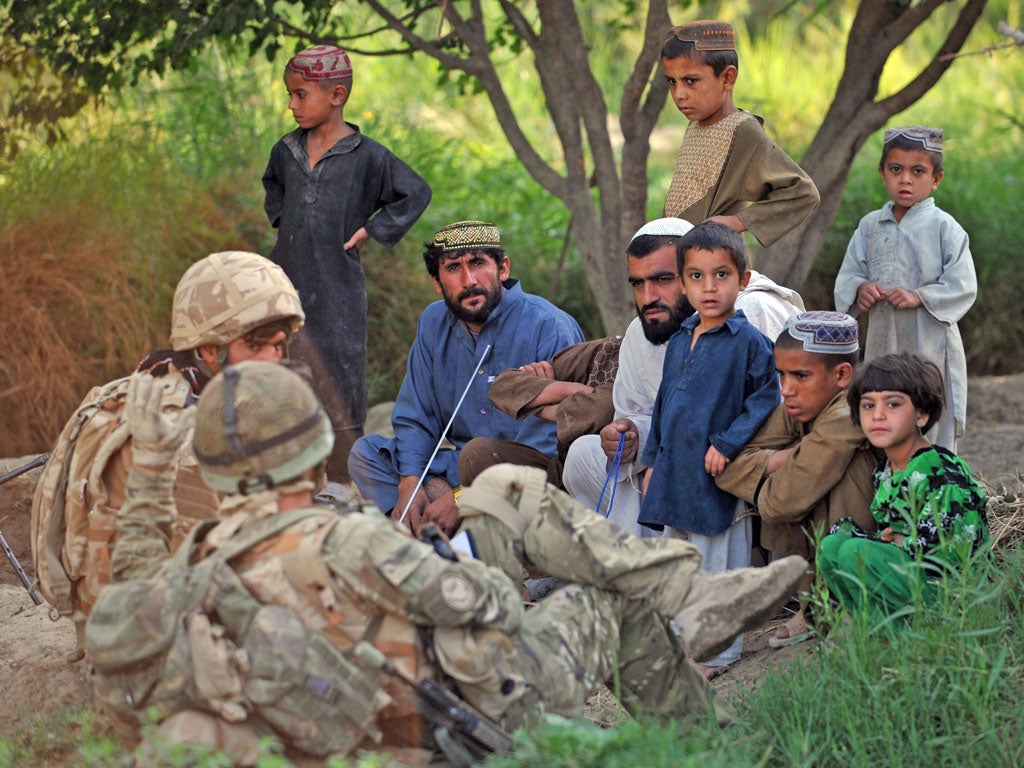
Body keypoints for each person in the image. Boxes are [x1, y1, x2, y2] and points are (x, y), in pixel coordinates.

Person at [103, 360, 809, 765]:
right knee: (607, 600)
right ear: (313, 448)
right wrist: (458, 560)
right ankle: (698, 746)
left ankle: (693, 593)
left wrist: (152, 460)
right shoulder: (342, 541)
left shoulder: (191, 563)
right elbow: (491, 606)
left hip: (357, 719)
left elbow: (131, 562)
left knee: (501, 492)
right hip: (464, 721)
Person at [32, 251, 304, 657]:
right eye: (258, 346)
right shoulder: (191, 433)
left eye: (280, 347)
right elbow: (202, 572)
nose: (275, 361)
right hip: (155, 647)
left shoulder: (146, 383)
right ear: (210, 350)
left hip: (111, 622)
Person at [562, 217, 803, 538]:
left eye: (663, 279)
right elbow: (644, 413)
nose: (648, 296)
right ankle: (641, 558)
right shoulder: (642, 330)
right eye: (638, 283)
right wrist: (631, 434)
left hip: (746, 463)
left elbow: (781, 413)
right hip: (675, 461)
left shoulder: (752, 312)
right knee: (583, 455)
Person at [348, 220, 584, 535]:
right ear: (437, 282)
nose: (468, 279)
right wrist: (409, 482)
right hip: (458, 467)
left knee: (485, 474)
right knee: (367, 454)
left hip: (529, 475)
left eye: (477, 263)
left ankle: (452, 524)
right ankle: (438, 523)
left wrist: (463, 498)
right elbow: (416, 416)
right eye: (453, 268)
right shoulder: (433, 322)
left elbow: (548, 443)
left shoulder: (547, 325)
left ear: (503, 268)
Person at [263, 45, 432, 481]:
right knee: (285, 368)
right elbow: (273, 187)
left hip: (339, 292)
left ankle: (343, 480)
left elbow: (414, 193)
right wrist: (289, 223)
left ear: (336, 95)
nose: (292, 105)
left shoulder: (369, 157)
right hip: (287, 283)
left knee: (339, 378)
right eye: (290, 95)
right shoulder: (286, 150)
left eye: (301, 95)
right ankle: (289, 475)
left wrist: (373, 230)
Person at [638, 221, 780, 676]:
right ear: (682, 283)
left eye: (722, 275)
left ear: (743, 278)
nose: (709, 287)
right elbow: (665, 403)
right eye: (696, 276)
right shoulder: (681, 339)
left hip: (715, 475)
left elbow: (765, 400)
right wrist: (652, 459)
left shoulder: (749, 343)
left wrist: (727, 442)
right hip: (676, 471)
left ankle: (718, 652)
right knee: (681, 561)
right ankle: (684, 641)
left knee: (717, 562)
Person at [716, 311, 880, 646]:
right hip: (812, 533)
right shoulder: (802, 406)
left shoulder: (847, 410)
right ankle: (814, 606)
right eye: (781, 375)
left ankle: (851, 602)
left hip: (872, 548)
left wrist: (771, 469)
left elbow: (780, 504)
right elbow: (726, 468)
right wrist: (788, 455)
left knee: (843, 471)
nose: (786, 389)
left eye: (800, 376)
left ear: (843, 375)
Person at [834, 126, 976, 452]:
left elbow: (963, 284)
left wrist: (920, 296)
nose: (906, 180)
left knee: (930, 412)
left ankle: (935, 487)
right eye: (896, 169)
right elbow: (849, 274)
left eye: (918, 171)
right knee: (884, 407)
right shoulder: (870, 226)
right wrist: (860, 289)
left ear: (936, 178)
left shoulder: (944, 227)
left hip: (931, 343)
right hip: (885, 339)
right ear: (882, 173)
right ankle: (890, 488)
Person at [818, 353, 989, 618]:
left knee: (856, 551)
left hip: (950, 591)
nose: (878, 415)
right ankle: (874, 631)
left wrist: (900, 542)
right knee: (832, 546)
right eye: (867, 405)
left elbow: (956, 551)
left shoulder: (939, 471)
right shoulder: (883, 471)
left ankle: (924, 633)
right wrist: (887, 540)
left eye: (893, 404)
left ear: (921, 415)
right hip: (908, 577)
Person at [661, 20, 819, 245]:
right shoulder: (695, 125)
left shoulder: (743, 130)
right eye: (672, 82)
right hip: (681, 261)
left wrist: (737, 222)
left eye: (691, 80)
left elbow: (803, 192)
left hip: (716, 264)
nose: (679, 94)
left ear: (727, 78)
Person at [458, 335, 621, 489]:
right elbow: (503, 386)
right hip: (564, 476)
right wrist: (565, 389)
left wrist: (545, 407)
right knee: (476, 454)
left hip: (620, 482)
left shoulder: (640, 378)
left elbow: (602, 409)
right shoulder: (610, 350)